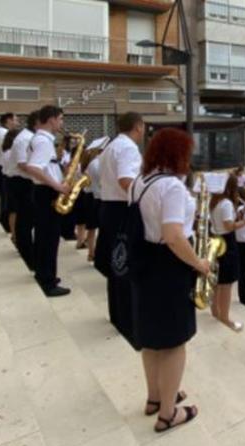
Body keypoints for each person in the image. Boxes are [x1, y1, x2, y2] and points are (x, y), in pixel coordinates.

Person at [130, 127, 203, 433]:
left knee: (152, 339)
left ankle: (155, 398)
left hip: (145, 261)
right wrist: (200, 263)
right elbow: (173, 236)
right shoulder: (171, 187)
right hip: (169, 265)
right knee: (174, 341)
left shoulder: (140, 181)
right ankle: (169, 413)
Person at [96, 113, 145, 344]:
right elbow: (127, 180)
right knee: (125, 264)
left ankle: (117, 316)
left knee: (116, 266)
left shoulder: (111, 146)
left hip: (108, 207)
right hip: (121, 210)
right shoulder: (128, 148)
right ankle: (128, 324)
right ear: (138, 126)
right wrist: (146, 198)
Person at [23, 105, 70, 297]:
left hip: (42, 191)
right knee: (48, 238)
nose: (61, 123)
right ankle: (48, 281)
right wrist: (58, 186)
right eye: (60, 119)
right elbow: (33, 167)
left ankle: (45, 274)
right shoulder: (43, 141)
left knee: (45, 237)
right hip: (46, 193)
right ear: (51, 119)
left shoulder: (40, 139)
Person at [210, 174, 244, 331]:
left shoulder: (214, 201)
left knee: (217, 279)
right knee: (227, 283)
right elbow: (229, 226)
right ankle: (225, 317)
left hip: (215, 239)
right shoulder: (226, 204)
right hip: (226, 242)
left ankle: (215, 311)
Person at [10, 111, 39, 271]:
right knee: (25, 222)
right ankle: (28, 256)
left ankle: (29, 252)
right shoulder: (25, 139)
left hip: (27, 181)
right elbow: (22, 164)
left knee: (27, 220)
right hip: (22, 182)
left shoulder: (29, 137)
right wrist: (44, 174)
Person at [0, 112, 18, 233]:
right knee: (5, 195)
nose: (17, 122)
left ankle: (4, 219)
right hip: (0, 167)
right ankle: (5, 222)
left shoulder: (0, 132)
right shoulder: (3, 133)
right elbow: (7, 152)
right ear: (8, 121)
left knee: (4, 195)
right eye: (15, 120)